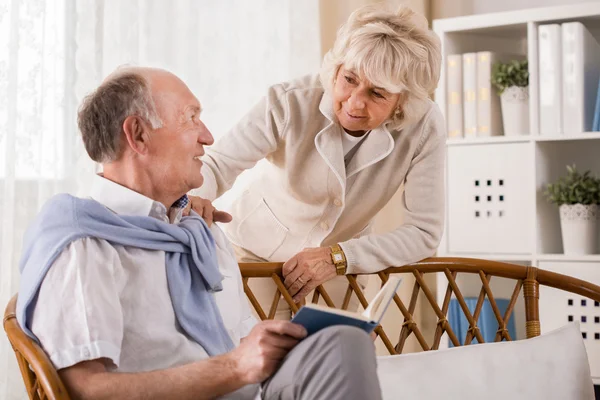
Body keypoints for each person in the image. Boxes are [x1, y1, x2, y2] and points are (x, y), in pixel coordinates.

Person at [16, 66, 382, 400]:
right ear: (138, 135)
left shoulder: (200, 232)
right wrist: (235, 367)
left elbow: (240, 343)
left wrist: (284, 346)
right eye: (191, 118)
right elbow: (84, 391)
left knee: (343, 342)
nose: (207, 137)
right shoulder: (83, 244)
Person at [189, 4, 445, 310]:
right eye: (349, 79)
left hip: (339, 268)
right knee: (259, 355)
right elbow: (217, 165)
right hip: (255, 259)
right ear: (336, 68)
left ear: (404, 102)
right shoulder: (288, 101)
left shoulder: (424, 125)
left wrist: (339, 257)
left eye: (377, 94)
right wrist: (196, 195)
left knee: (340, 355)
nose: (355, 103)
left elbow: (424, 232)